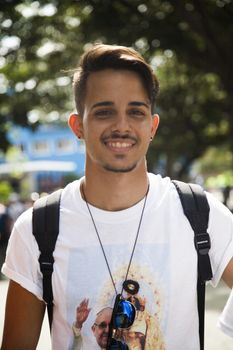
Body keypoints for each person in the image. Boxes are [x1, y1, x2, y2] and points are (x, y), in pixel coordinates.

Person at [1, 44, 233, 350]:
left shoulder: (199, 213)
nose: (121, 126)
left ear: (152, 126)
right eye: (104, 112)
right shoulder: (38, 228)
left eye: (136, 111)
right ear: (78, 126)